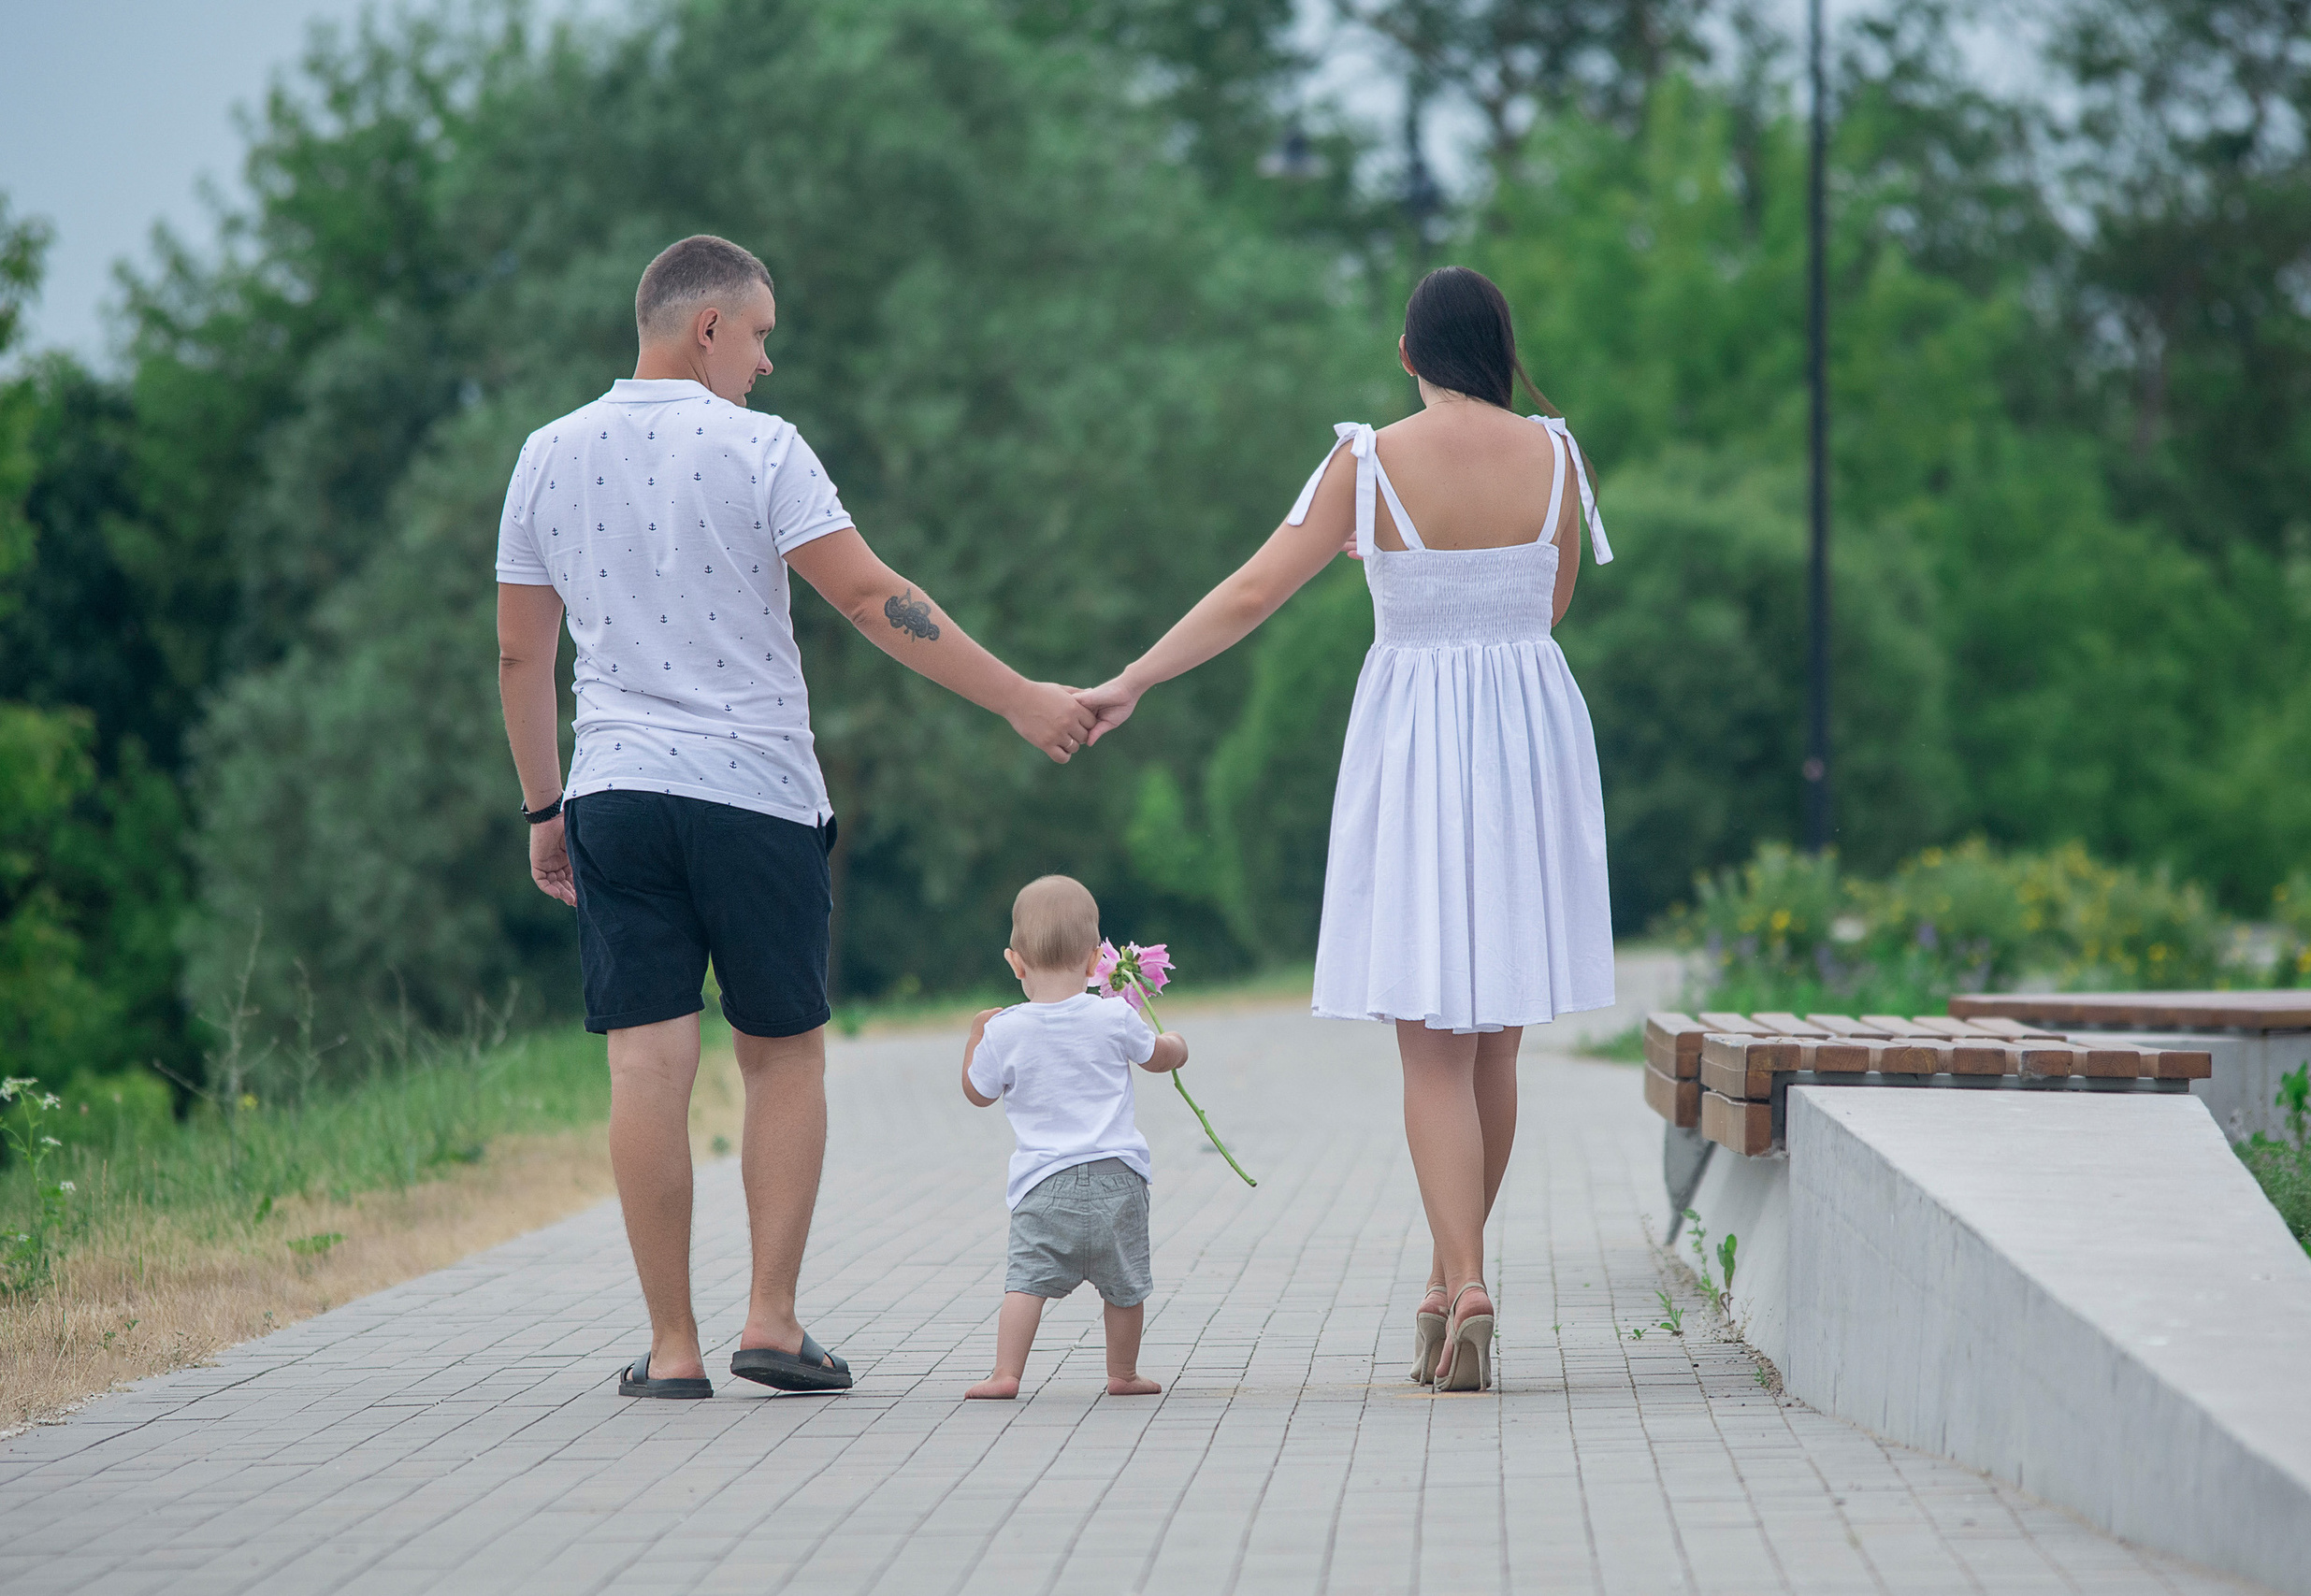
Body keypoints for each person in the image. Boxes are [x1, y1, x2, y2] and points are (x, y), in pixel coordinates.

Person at [495, 235, 1096, 1399]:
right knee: (779, 1058)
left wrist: (542, 805)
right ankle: (770, 1322)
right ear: (707, 326)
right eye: (760, 334)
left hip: (613, 788)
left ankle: (671, 1350)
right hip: (754, 792)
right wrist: (1023, 699)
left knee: (645, 1065)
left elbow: (522, 648)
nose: (768, 363)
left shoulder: (546, 455)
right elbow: (873, 599)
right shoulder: (762, 448)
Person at [1076, 266, 1615, 1392]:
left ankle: (1461, 1279)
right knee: (1498, 1034)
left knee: (1429, 1036)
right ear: (1499, 349)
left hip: (1419, 737)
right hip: (1530, 736)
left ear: (1408, 352)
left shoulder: (1368, 461)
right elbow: (1553, 602)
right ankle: (1448, 1276)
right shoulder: (1558, 456)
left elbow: (1249, 594)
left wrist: (1133, 679)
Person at [959, 875, 1190, 1401]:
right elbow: (1156, 1057)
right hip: (1118, 1182)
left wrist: (976, 1037)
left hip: (1043, 1187)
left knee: (1025, 1284)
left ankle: (1005, 1374)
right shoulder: (1113, 1014)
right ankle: (1123, 1372)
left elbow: (977, 1092)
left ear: (1015, 963)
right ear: (1095, 962)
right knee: (1126, 1287)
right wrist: (1175, 1044)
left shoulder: (1004, 1029)